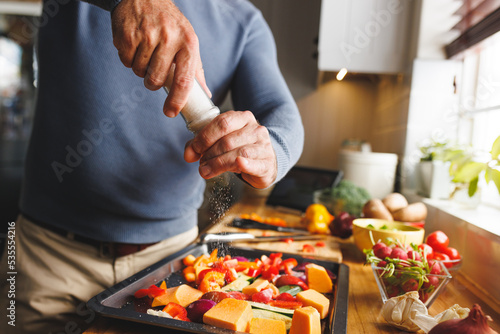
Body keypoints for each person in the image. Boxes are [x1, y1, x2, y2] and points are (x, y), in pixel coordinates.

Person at [0, 0, 304, 333]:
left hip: (169, 265)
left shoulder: (241, 19)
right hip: (48, 258)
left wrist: (272, 149)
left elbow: (280, 112)